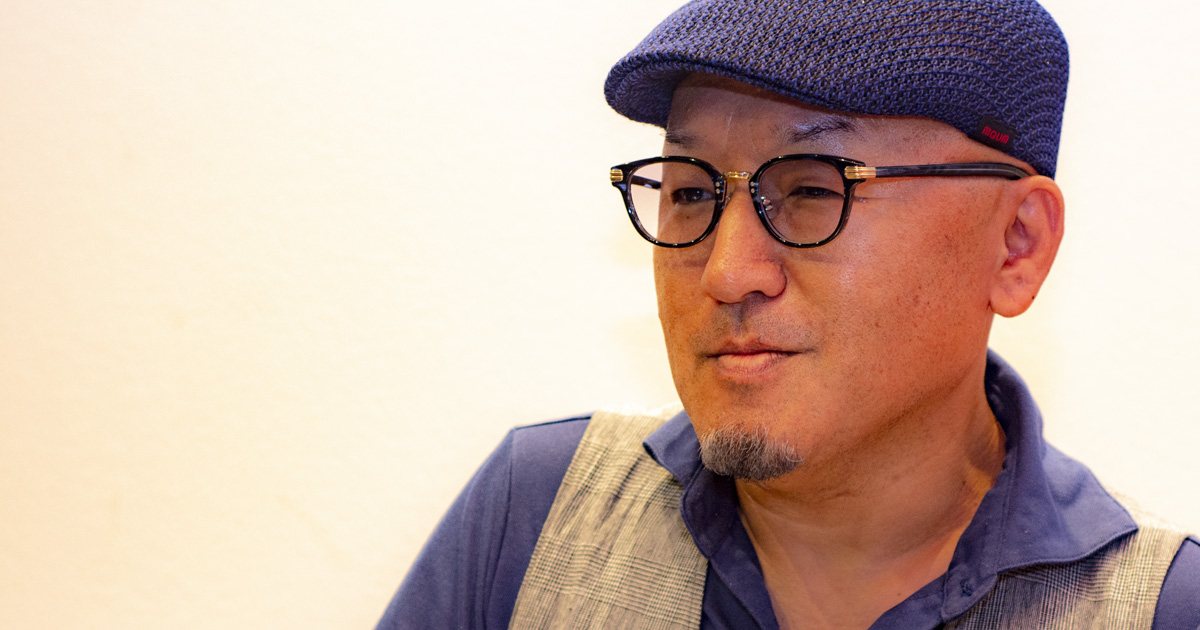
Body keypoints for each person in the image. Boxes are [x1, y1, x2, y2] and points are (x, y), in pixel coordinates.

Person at [377, 0, 1200, 627]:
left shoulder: (1163, 608)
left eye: (811, 188)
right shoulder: (536, 526)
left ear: (1017, 246)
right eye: (691, 192)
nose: (728, 273)